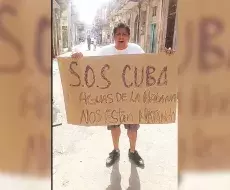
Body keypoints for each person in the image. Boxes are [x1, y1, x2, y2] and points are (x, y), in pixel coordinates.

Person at [71, 22, 173, 168]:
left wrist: (167, 57)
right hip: (111, 99)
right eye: (118, 34)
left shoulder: (136, 50)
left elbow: (151, 67)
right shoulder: (104, 51)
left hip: (132, 99)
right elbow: (89, 67)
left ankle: (132, 151)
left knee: (132, 129)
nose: (121, 36)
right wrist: (78, 57)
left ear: (128, 37)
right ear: (113, 36)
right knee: (114, 128)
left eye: (124, 34)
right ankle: (115, 150)